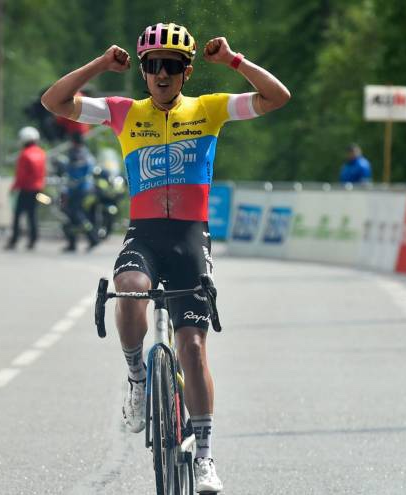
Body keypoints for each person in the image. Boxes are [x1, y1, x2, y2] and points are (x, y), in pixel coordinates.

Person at [41, 22, 290, 493]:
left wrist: (234, 61)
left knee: (193, 348)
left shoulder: (210, 109)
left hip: (191, 240)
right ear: (142, 71)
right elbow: (55, 102)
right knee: (130, 290)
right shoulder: (122, 112)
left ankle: (206, 457)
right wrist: (99, 64)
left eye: (171, 67)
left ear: (186, 72)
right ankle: (137, 378)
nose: (161, 74)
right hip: (145, 236)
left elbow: (278, 97)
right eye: (153, 66)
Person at [6, 126, 46, 250]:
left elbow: (21, 175)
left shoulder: (24, 155)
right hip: (38, 189)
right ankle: (33, 239)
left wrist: (14, 187)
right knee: (32, 215)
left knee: (18, 214)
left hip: (26, 189)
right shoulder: (41, 153)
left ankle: (14, 239)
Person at [60, 131, 99, 252]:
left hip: (78, 189)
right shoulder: (86, 153)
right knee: (73, 215)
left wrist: (66, 189)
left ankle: (92, 238)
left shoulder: (76, 154)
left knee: (75, 214)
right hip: (84, 188)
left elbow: (73, 174)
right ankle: (73, 243)